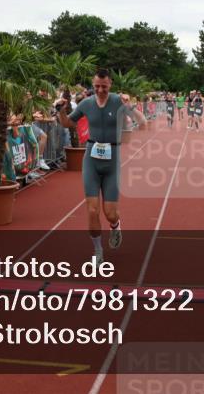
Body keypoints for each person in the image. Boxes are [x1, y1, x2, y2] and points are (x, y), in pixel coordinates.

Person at [57, 68, 145, 263]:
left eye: (104, 87)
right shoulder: (86, 103)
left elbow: (143, 123)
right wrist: (60, 110)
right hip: (91, 158)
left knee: (110, 213)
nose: (100, 90)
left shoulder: (118, 101)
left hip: (112, 158)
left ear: (110, 84)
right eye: (96, 86)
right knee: (92, 209)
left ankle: (115, 226)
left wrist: (130, 107)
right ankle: (98, 251)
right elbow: (67, 124)